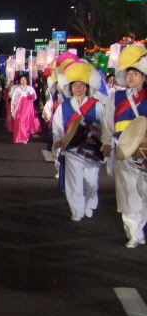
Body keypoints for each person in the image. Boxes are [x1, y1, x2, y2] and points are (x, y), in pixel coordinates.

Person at [101, 44, 147, 247]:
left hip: (145, 154)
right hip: (123, 152)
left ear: (144, 77)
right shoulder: (116, 98)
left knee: (144, 194)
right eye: (128, 74)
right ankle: (134, 233)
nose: (131, 77)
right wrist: (105, 143)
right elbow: (107, 124)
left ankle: (139, 228)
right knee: (128, 193)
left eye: (135, 74)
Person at [52, 62, 104, 221]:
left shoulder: (96, 105)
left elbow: (104, 127)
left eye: (82, 85)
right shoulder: (63, 107)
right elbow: (57, 127)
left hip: (91, 150)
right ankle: (77, 210)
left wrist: (99, 137)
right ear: (70, 87)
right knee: (74, 182)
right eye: (75, 85)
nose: (78, 88)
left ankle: (90, 203)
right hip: (72, 150)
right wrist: (58, 142)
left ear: (87, 87)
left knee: (91, 182)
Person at [10, 75, 40, 144]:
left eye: (24, 80)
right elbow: (13, 99)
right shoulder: (17, 89)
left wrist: (31, 94)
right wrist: (12, 109)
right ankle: (21, 137)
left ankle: (25, 137)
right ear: (20, 81)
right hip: (19, 108)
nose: (23, 81)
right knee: (20, 121)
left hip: (28, 108)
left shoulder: (30, 88)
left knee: (26, 122)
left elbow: (34, 98)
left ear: (27, 80)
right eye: (21, 80)